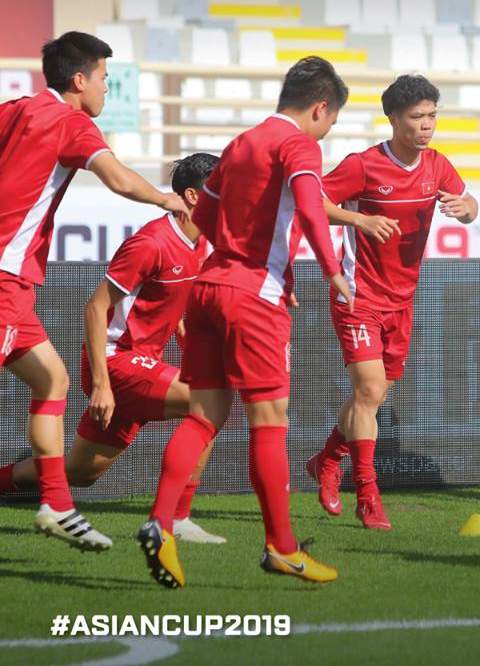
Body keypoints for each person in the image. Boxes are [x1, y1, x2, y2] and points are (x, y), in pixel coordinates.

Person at [136, 57, 353, 589]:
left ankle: (160, 524)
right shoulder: (301, 144)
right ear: (320, 108)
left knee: (204, 416)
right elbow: (309, 208)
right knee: (269, 422)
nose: (327, 130)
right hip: (253, 296)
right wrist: (331, 271)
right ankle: (281, 548)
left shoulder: (240, 143)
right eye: (331, 120)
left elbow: (203, 218)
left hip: (207, 288)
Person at [0, 32, 185, 549]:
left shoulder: (15, 109)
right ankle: (55, 504)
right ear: (80, 79)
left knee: (54, 381)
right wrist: (167, 199)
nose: (108, 89)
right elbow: (119, 180)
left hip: (6, 279)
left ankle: (56, 506)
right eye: (106, 78)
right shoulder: (72, 123)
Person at [0, 153, 224, 544]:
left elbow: (166, 306)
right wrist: (103, 385)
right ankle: (176, 516)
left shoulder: (204, 243)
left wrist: (187, 336)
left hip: (143, 363)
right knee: (207, 401)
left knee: (80, 472)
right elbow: (95, 307)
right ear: (192, 196)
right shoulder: (150, 243)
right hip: (116, 364)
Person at [306, 74, 479, 530]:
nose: (427, 125)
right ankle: (367, 493)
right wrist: (360, 219)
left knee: (376, 394)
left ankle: (326, 460)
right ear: (394, 119)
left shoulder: (437, 165)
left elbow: (468, 200)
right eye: (418, 117)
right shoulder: (363, 165)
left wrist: (468, 210)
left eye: (432, 115)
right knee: (368, 392)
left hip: (403, 301)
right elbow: (311, 200)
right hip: (358, 294)